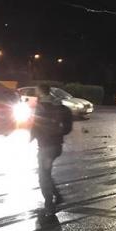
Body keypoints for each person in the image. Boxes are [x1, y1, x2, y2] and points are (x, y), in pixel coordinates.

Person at [30, 84, 72, 213]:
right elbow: (67, 127)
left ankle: (49, 204)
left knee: (43, 175)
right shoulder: (60, 106)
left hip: (46, 147)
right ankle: (57, 196)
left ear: (40, 92)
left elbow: (36, 125)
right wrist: (58, 133)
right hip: (56, 146)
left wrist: (32, 136)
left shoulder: (42, 106)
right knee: (45, 172)